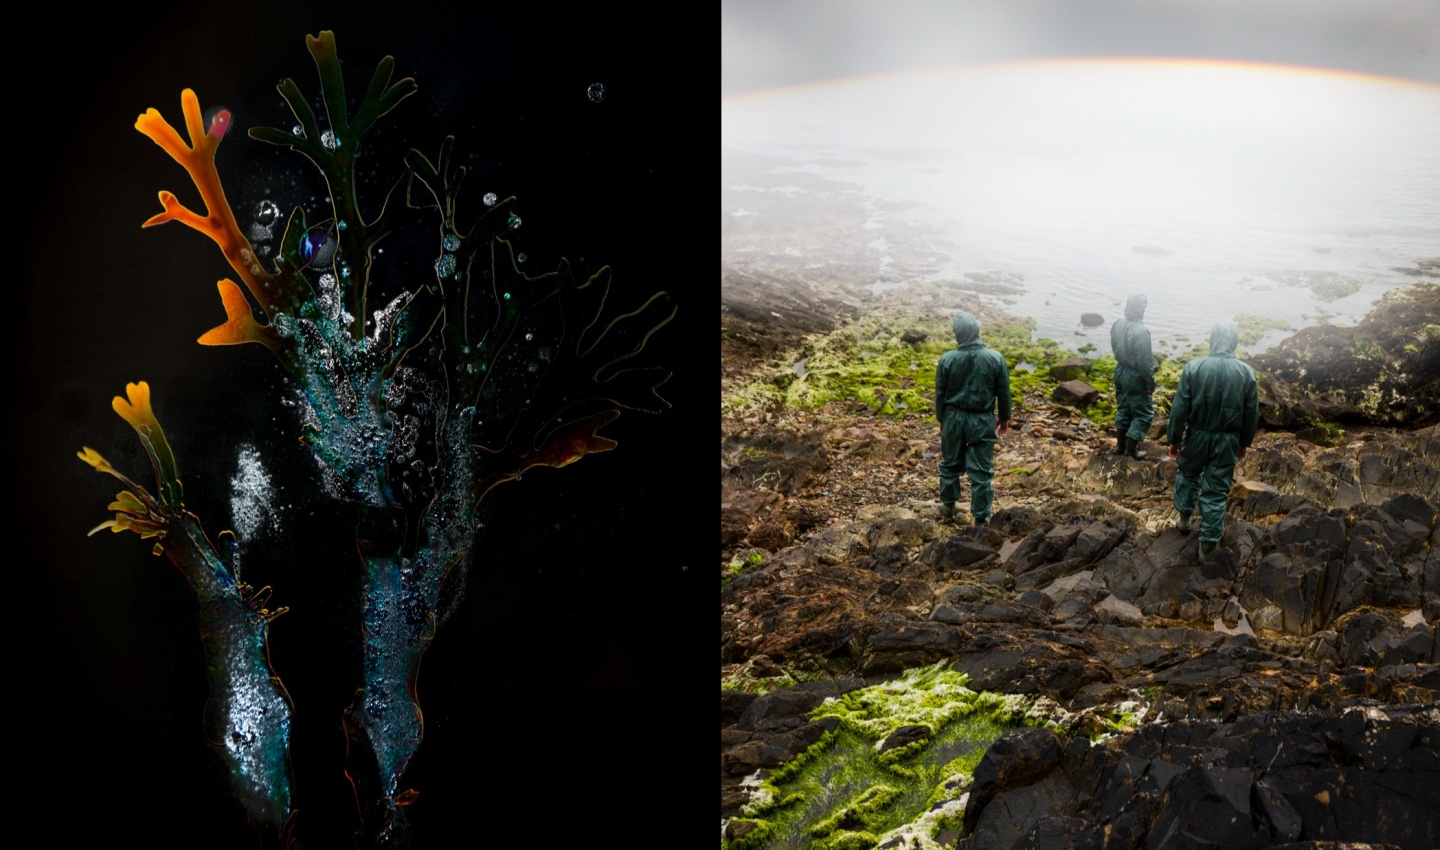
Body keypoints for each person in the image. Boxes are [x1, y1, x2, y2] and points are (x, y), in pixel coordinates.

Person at [1166, 322, 1259, 557]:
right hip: (1227, 440)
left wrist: (1175, 439)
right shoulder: (1245, 372)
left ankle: (1184, 520)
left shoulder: (1193, 368)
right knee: (1216, 489)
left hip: (1196, 434)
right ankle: (1207, 547)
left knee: (1188, 473)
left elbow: (1179, 408)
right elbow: (1251, 413)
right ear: (1234, 341)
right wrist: (1244, 443)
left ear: (1212, 339)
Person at [935, 312, 1011, 526]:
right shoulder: (995, 358)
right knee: (981, 469)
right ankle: (981, 517)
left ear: (958, 334)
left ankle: (948, 507)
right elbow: (1003, 392)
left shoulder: (947, 359)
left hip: (953, 417)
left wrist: (941, 418)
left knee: (950, 463)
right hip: (981, 418)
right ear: (977, 331)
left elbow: (940, 393)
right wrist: (1004, 418)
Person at [1110, 293, 1155, 459]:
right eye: (1142, 306)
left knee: (1123, 408)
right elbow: (1145, 361)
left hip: (1120, 370)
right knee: (1143, 414)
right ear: (1138, 308)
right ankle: (1131, 449)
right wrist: (1150, 382)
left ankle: (1120, 446)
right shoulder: (1141, 331)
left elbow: (1114, 346)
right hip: (1135, 376)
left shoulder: (1117, 324)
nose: (1144, 308)